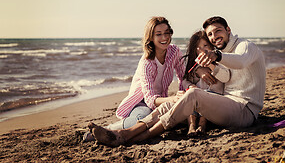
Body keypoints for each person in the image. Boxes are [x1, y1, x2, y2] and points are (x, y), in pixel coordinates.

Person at [87, 16, 266, 147]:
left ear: (228, 29)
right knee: (170, 105)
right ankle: (124, 133)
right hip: (225, 105)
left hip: (245, 109)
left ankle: (138, 137)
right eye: (210, 34)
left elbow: (240, 61)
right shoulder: (224, 52)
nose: (213, 37)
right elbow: (224, 76)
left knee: (193, 94)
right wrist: (207, 67)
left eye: (218, 31)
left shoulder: (244, 47)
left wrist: (214, 58)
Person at [182, 30, 230, 136]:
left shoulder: (218, 62)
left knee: (206, 99)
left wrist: (210, 65)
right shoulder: (193, 65)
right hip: (197, 96)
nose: (202, 50)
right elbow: (185, 80)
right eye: (198, 47)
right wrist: (190, 85)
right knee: (191, 99)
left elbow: (224, 77)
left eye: (205, 45)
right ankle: (192, 125)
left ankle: (202, 125)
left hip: (214, 96)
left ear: (212, 47)